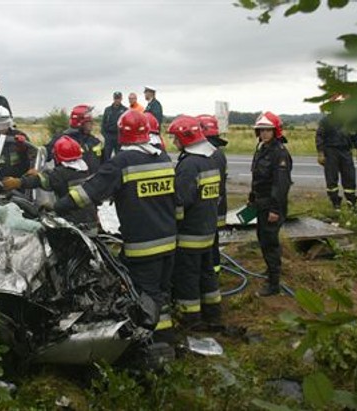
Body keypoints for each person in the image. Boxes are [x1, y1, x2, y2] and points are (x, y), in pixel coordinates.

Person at [55, 109, 177, 345]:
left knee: (144, 297)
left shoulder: (122, 162)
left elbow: (88, 193)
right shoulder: (162, 158)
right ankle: (166, 338)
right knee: (161, 294)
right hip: (169, 242)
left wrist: (56, 207)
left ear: (121, 134)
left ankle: (149, 345)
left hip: (143, 247)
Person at [168, 115, 222, 329]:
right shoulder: (210, 159)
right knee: (207, 273)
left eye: (176, 138)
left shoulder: (189, 165)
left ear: (185, 138)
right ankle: (213, 312)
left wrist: (172, 224)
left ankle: (191, 319)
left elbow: (180, 202)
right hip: (207, 231)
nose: (174, 143)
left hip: (189, 234)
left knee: (187, 276)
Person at [2, 136, 98, 231]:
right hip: (91, 221)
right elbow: (55, 177)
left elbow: (44, 180)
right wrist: (39, 174)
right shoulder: (83, 170)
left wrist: (19, 182)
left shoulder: (62, 173)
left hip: (74, 224)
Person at [249, 111, 292, 296]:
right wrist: (252, 197)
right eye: (261, 130)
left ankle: (273, 284)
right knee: (263, 239)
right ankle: (270, 270)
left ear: (275, 131)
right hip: (261, 202)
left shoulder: (279, 154)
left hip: (272, 205)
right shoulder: (262, 149)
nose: (264, 133)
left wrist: (275, 209)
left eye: (267, 130)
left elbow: (280, 185)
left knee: (270, 242)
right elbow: (257, 177)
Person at [316, 96, 357, 211]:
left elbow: (356, 136)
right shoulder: (326, 120)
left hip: (346, 151)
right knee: (331, 179)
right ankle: (335, 203)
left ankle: (351, 203)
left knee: (350, 178)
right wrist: (320, 153)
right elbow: (319, 136)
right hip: (330, 152)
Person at [197, 114, 228, 275]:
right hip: (217, 205)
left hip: (209, 207)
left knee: (208, 243)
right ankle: (214, 271)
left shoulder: (208, 153)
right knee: (213, 241)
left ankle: (210, 272)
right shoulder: (218, 153)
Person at [45, 104, 103, 174]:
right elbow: (43, 155)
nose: (92, 124)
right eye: (89, 122)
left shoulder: (95, 141)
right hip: (70, 183)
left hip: (92, 182)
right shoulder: (62, 140)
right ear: (80, 123)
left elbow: (104, 163)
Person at [101, 91, 128, 161]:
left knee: (119, 157)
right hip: (109, 137)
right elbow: (103, 124)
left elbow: (126, 125)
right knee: (106, 157)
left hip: (119, 137)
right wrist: (105, 136)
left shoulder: (125, 110)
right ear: (113, 99)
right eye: (116, 98)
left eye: (118, 98)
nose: (117, 100)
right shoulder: (107, 110)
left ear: (121, 98)